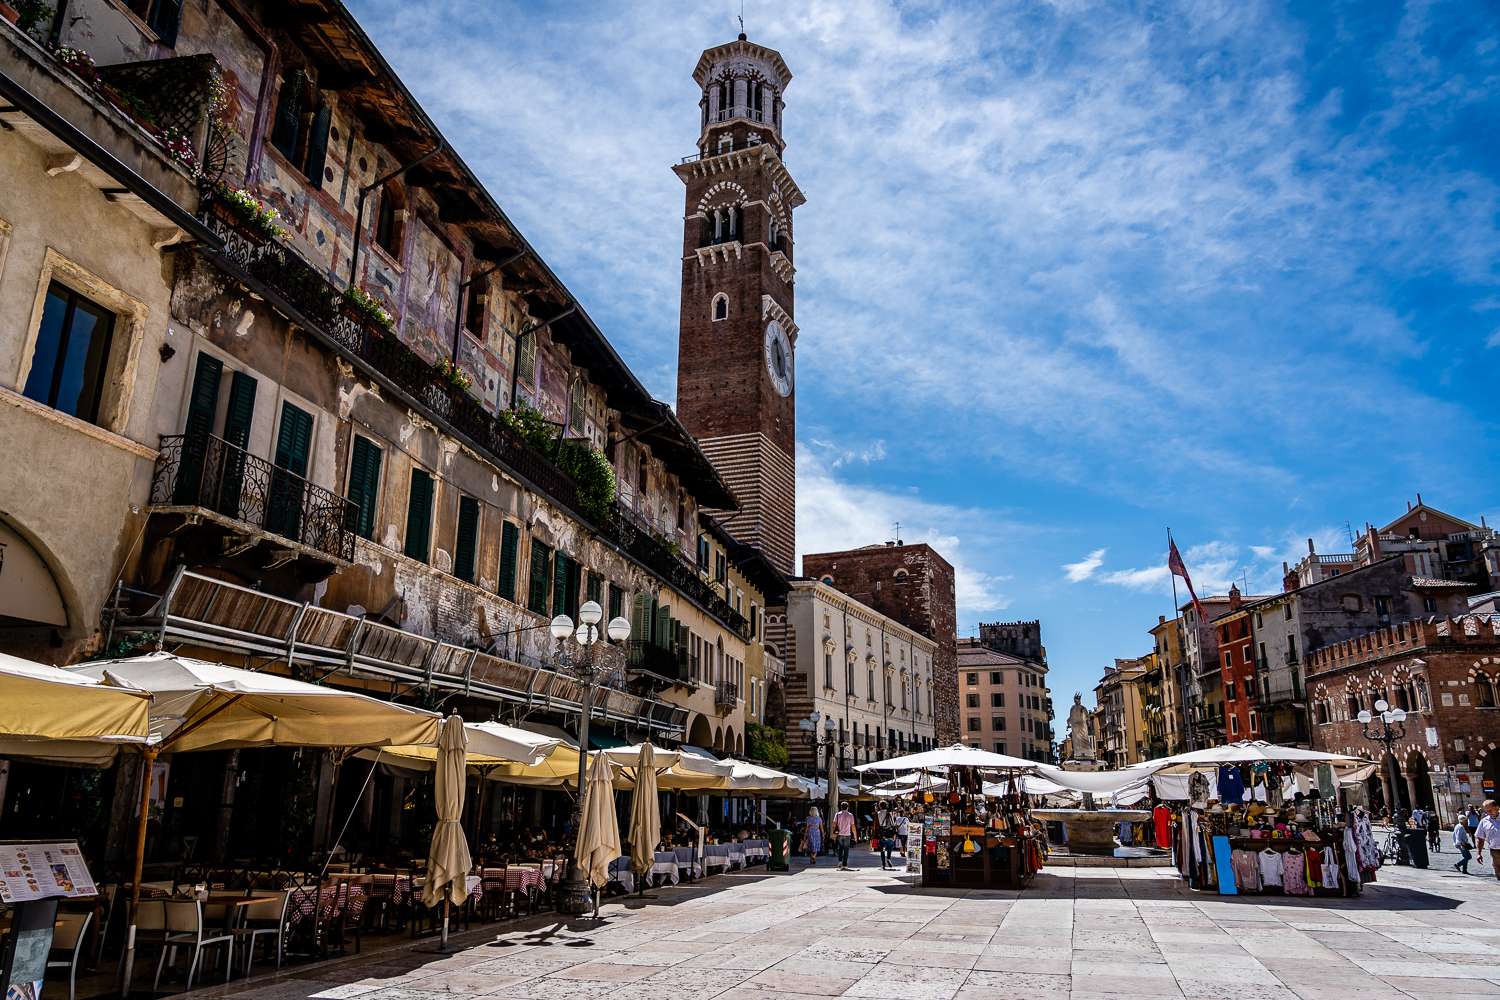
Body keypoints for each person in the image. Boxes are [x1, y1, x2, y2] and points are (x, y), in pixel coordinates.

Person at [1475, 800, 1500, 880]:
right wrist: (1479, 853)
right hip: (1495, 851)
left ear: (1497, 807)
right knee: (1498, 871)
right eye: (1486, 811)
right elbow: (1480, 838)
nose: (1488, 813)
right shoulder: (1484, 821)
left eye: (1490, 810)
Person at [833, 804, 856, 870]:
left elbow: (834, 824)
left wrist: (834, 834)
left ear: (841, 807)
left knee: (840, 848)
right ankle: (845, 865)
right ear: (847, 807)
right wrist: (855, 836)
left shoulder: (837, 814)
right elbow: (853, 826)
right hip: (847, 834)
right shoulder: (850, 815)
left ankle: (840, 862)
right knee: (846, 850)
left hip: (840, 834)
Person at [876, 806, 896, 870]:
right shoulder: (889, 813)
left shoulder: (878, 813)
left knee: (882, 850)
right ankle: (888, 858)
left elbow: (875, 824)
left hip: (881, 834)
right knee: (889, 847)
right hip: (889, 833)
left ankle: (883, 864)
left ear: (880, 806)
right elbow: (893, 824)